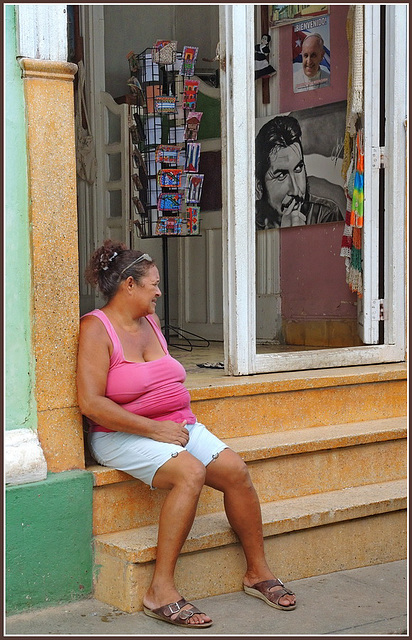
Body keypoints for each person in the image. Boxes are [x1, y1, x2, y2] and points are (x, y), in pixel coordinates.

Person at [77, 240, 296, 629]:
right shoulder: (96, 329)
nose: (159, 292)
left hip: (176, 425)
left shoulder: (152, 322)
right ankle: (159, 590)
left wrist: (169, 425)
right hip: (120, 434)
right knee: (190, 473)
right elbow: (91, 404)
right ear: (129, 285)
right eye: (153, 284)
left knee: (236, 472)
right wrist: (154, 429)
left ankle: (257, 572)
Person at [255, 115, 343, 229]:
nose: (296, 190)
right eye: (281, 175)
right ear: (259, 188)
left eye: (298, 169)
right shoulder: (245, 222)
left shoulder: (326, 215)